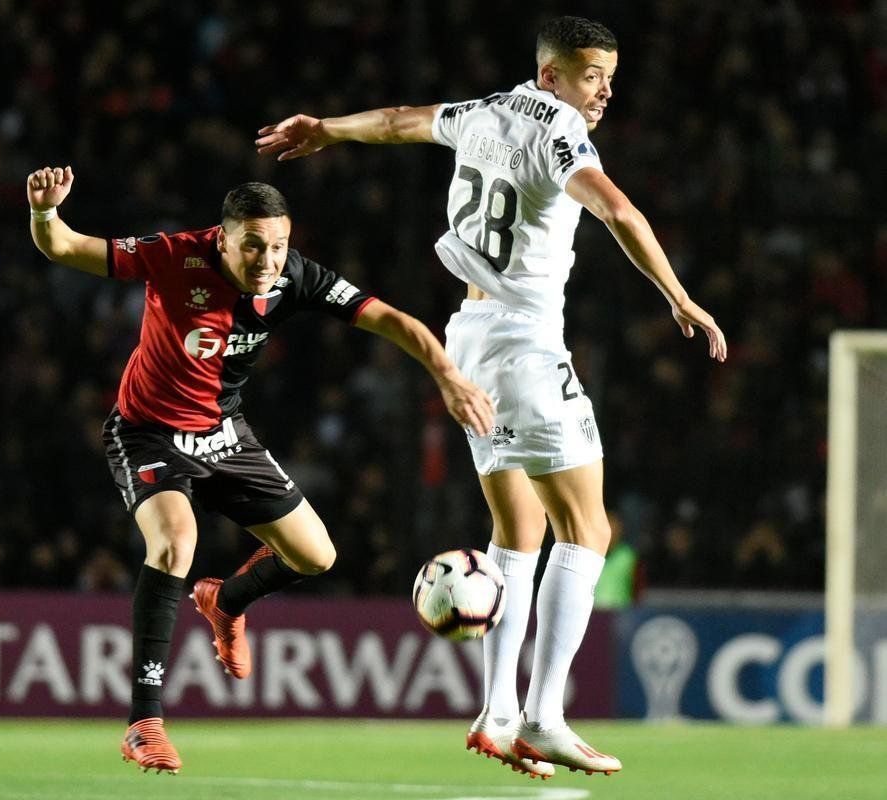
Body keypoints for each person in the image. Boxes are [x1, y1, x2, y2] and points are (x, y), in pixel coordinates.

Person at [256, 14, 727, 779]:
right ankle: (545, 716)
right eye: (588, 75)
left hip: (468, 334)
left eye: (609, 76)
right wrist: (677, 296)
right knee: (589, 530)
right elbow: (618, 209)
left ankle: (498, 713)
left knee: (517, 531)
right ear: (550, 76)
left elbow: (403, 121)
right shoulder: (560, 132)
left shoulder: (483, 113)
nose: (603, 90)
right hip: (525, 344)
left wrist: (329, 129)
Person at [26, 168, 494, 774]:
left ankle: (227, 600)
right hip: (148, 433)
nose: (267, 259)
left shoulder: (296, 275)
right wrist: (44, 213)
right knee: (175, 543)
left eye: (276, 245)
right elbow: (65, 247)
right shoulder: (173, 256)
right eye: (252, 244)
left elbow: (392, 321)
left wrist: (448, 377)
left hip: (225, 432)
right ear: (221, 239)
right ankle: (144, 721)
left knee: (317, 555)